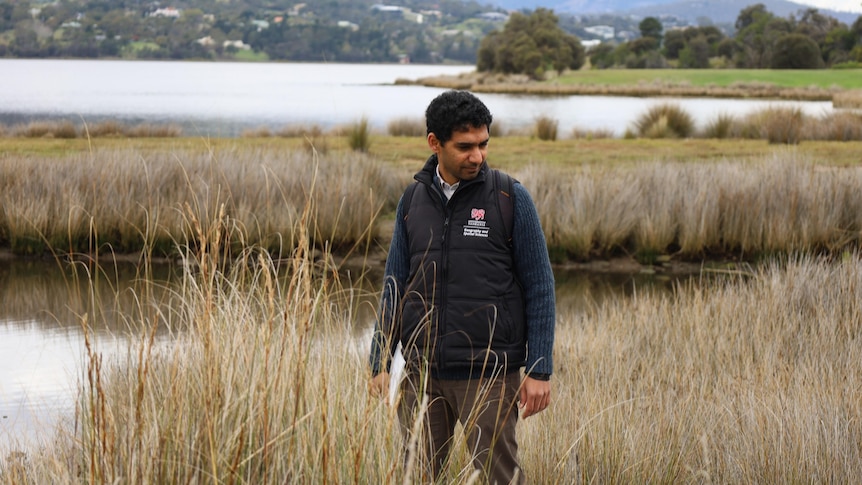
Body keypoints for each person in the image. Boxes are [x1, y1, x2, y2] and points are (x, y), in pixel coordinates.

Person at [368, 90, 556, 484]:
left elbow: (540, 286)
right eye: (465, 147)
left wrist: (539, 367)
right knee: (416, 476)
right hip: (421, 372)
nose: (478, 156)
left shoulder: (509, 197)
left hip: (487, 373)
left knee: (498, 478)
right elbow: (394, 284)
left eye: (483, 144)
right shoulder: (412, 200)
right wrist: (380, 360)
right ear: (434, 143)